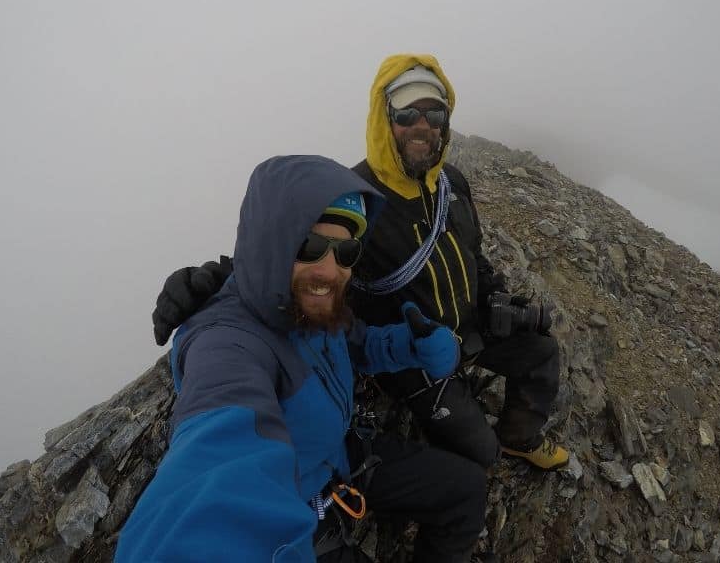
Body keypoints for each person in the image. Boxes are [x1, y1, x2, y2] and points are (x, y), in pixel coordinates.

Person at [153, 54, 568, 472]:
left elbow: (473, 253)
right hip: (409, 352)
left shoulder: (452, 183)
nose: (421, 124)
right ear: (384, 119)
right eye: (406, 112)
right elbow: (287, 250)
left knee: (542, 351)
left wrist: (495, 298)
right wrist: (210, 281)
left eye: (434, 113)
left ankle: (520, 436)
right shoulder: (359, 196)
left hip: (468, 325)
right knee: (481, 456)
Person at [117, 155, 487, 563]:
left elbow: (358, 343)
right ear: (270, 243)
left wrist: (413, 345)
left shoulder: (309, 308)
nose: (330, 270)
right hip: (303, 506)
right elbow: (215, 472)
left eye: (346, 251)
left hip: (344, 456)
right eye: (310, 246)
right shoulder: (227, 342)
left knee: (467, 491)